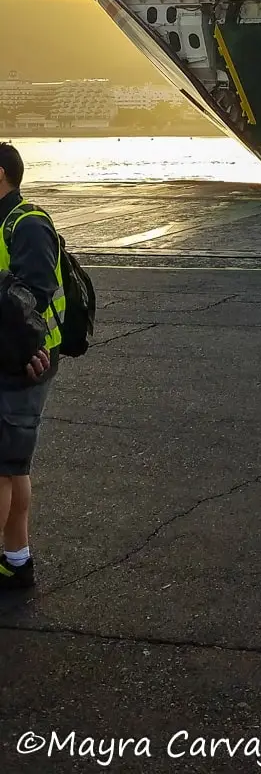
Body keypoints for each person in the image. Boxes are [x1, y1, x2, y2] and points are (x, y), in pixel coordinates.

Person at [0, 142, 64, 592]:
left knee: (2, 466)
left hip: (21, 361)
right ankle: (17, 560)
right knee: (12, 465)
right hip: (13, 357)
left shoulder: (27, 223)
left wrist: (25, 355)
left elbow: (34, 297)